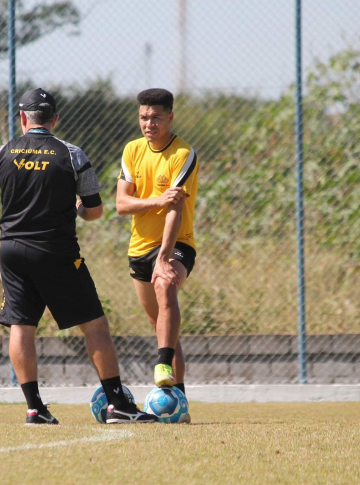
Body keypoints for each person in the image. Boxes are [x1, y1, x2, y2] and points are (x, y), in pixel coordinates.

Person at [0, 88, 156, 425]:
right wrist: (77, 207)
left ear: (23, 119)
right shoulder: (72, 155)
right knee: (95, 325)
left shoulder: (0, 153)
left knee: (22, 325)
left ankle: (35, 409)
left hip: (12, 251)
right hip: (56, 251)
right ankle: (118, 404)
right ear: (55, 120)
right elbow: (96, 211)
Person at [116, 88, 199, 396]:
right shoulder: (132, 150)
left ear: (170, 117)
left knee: (166, 287)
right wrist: (156, 200)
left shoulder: (183, 154)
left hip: (176, 242)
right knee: (162, 326)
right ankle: (179, 397)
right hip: (139, 248)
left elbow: (174, 209)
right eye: (143, 117)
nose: (148, 123)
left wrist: (164, 256)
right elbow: (122, 205)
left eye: (155, 117)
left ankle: (162, 365)